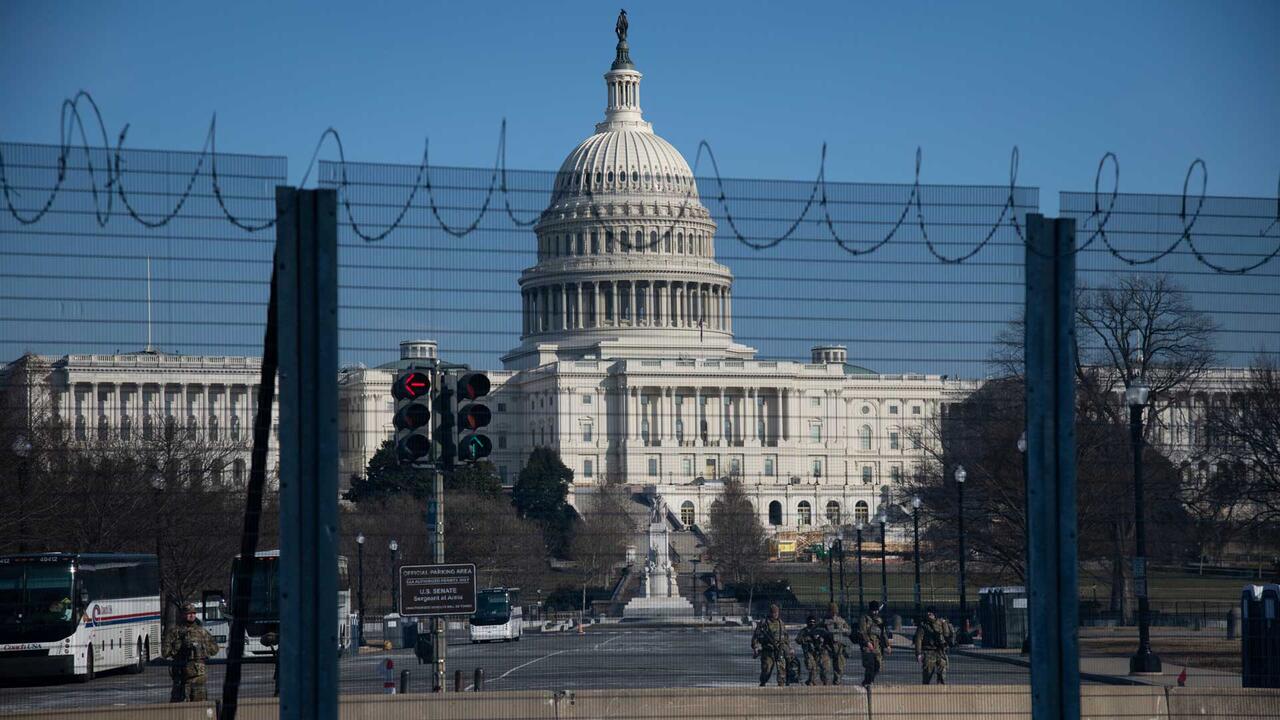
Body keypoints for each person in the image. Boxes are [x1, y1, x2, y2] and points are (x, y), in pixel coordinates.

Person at [162, 602, 220, 702]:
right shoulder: (175, 632)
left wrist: (202, 649)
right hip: (180, 677)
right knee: (179, 707)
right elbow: (165, 652)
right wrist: (179, 648)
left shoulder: (202, 632)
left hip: (198, 677)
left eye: (193, 613)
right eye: (189, 613)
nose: (192, 615)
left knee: (199, 707)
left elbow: (215, 649)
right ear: (183, 614)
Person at [750, 603, 790, 686]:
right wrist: (755, 648)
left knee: (781, 670)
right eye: (773, 612)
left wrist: (789, 647)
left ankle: (781, 686)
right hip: (768, 650)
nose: (775, 614)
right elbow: (756, 636)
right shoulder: (764, 623)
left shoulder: (780, 623)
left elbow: (785, 636)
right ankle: (763, 684)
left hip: (780, 650)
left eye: (776, 612)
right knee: (766, 670)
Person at [914, 606, 955, 684]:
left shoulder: (941, 623)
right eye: (928, 612)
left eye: (931, 612)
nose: (929, 614)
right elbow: (918, 639)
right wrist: (918, 653)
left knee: (942, 673)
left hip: (940, 651)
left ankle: (941, 689)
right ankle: (925, 691)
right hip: (928, 651)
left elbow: (947, 635)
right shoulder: (923, 625)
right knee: (927, 674)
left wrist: (945, 624)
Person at [857, 600, 892, 688]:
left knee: (878, 665)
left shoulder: (879, 620)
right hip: (867, 646)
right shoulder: (864, 618)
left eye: (876, 610)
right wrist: (867, 642)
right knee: (870, 665)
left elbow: (883, 633)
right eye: (873, 610)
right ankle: (869, 683)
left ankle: (867, 681)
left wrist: (887, 645)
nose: (875, 612)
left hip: (877, 646)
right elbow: (862, 631)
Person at [795, 614, 833, 686]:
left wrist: (823, 641)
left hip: (820, 651)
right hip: (809, 652)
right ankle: (810, 681)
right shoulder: (804, 631)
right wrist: (806, 639)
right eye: (810, 622)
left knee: (825, 668)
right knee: (813, 668)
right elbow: (798, 640)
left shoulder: (820, 630)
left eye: (813, 622)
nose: (812, 624)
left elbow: (828, 638)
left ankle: (825, 681)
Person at [822, 602, 853, 685]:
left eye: (834, 612)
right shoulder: (824, 621)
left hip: (839, 646)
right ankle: (825, 682)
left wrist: (842, 630)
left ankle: (837, 683)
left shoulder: (841, 621)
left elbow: (849, 631)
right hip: (827, 646)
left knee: (839, 668)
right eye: (831, 612)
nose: (833, 614)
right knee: (825, 667)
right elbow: (816, 630)